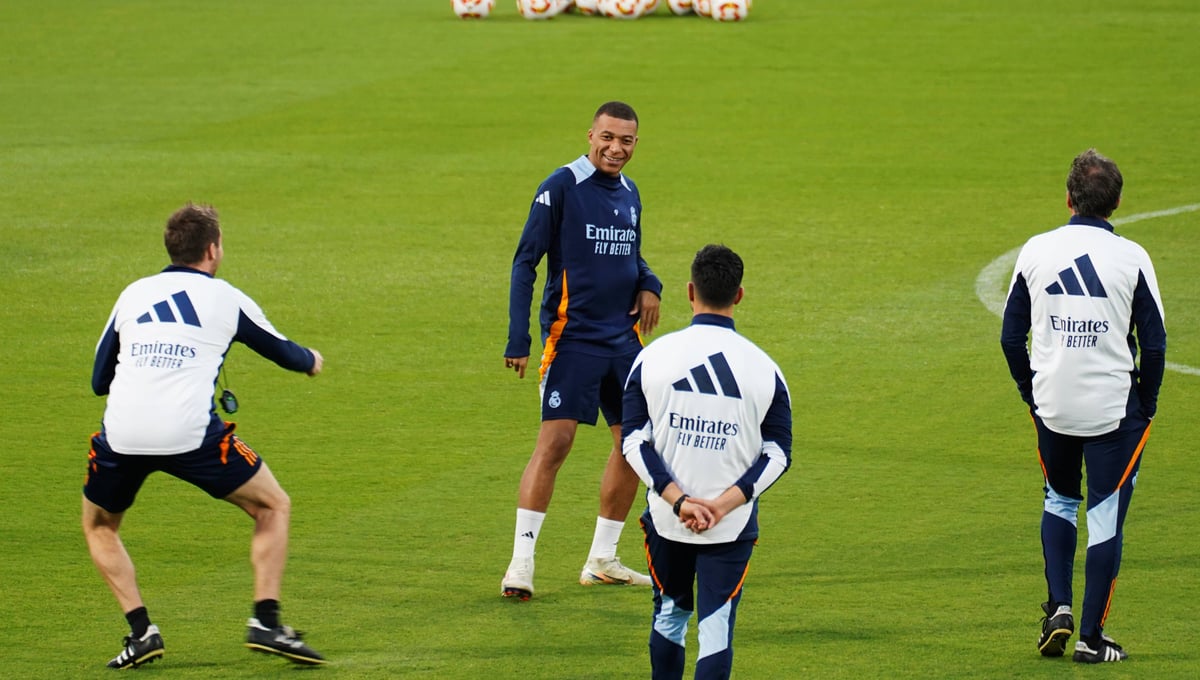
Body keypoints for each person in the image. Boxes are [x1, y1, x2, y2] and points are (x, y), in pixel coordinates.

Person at [83, 203, 327, 668]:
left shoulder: (133, 293)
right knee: (272, 505)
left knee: (99, 526)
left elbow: (99, 380)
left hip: (122, 435)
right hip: (190, 434)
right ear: (212, 250)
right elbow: (284, 352)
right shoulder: (225, 298)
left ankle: (141, 632)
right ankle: (266, 622)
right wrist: (311, 360)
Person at [1001, 150, 1166, 663]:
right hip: (1112, 410)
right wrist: (1147, 404)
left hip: (1053, 404)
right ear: (1117, 202)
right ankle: (1092, 639)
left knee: (1058, 498)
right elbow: (1155, 344)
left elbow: (1010, 336)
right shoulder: (1132, 257)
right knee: (1105, 515)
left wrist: (1031, 392)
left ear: (1068, 199)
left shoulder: (1036, 250)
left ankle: (1058, 608)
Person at [502, 101, 663, 599]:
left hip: (623, 341)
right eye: (607, 138)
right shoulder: (561, 187)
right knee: (556, 444)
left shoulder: (631, 193)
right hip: (572, 338)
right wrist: (519, 337)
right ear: (590, 135)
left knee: (634, 445)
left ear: (636, 143)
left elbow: (629, 253)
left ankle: (602, 560)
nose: (616, 148)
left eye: (626, 141)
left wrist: (650, 283)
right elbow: (525, 261)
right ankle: (521, 563)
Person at [622, 244, 792, 679]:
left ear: (689, 291)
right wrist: (722, 505)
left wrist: (679, 501)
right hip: (730, 525)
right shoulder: (766, 369)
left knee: (670, 615)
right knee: (715, 630)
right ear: (739, 295)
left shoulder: (652, 357)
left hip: (668, 519)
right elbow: (777, 454)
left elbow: (633, 441)